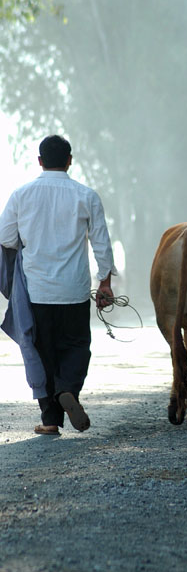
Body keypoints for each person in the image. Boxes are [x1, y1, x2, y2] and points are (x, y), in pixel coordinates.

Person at [0, 135, 117, 435]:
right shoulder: (86, 195)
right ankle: (68, 390)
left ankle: (50, 420)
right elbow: (101, 243)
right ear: (69, 161)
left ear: (40, 161)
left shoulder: (21, 195)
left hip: (37, 292)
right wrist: (104, 282)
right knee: (77, 346)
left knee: (43, 353)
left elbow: (5, 238)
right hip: (74, 291)